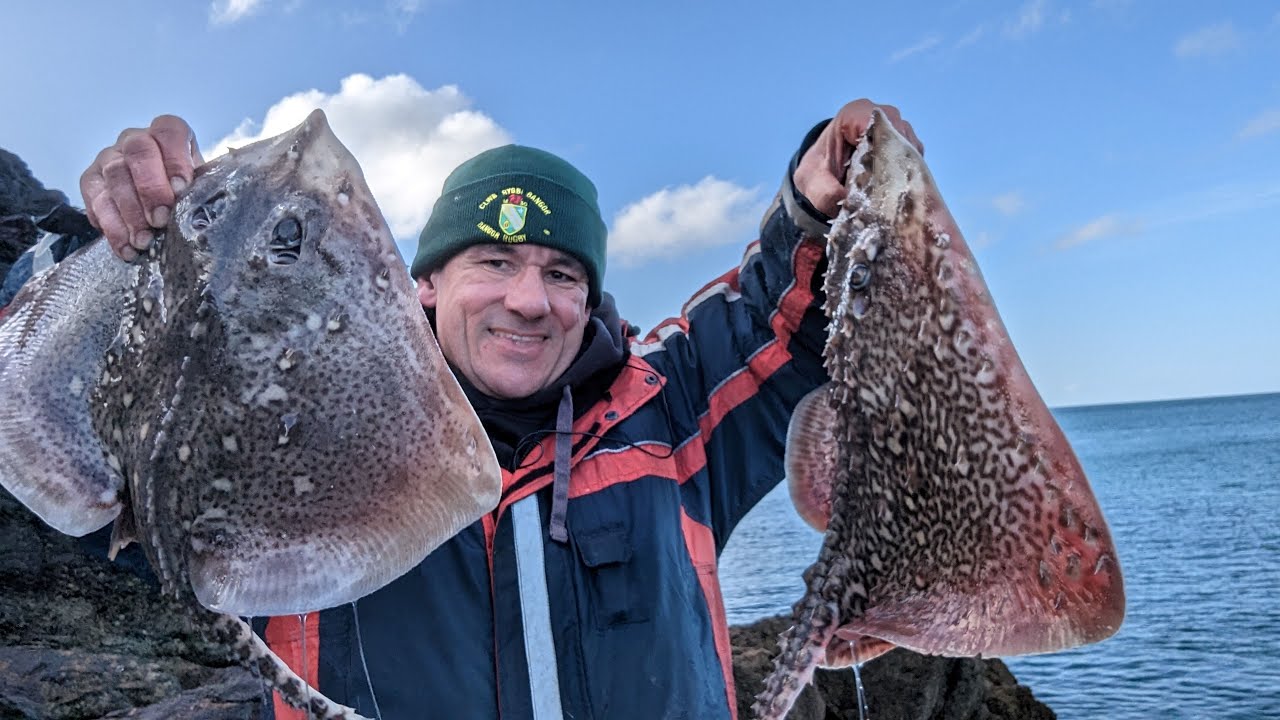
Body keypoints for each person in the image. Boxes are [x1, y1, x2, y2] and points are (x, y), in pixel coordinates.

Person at [60, 99, 921, 720]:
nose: (529, 300)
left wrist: (817, 199)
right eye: (493, 263)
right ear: (425, 283)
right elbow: (113, 437)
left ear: (590, 296)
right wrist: (143, 242)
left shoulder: (672, 417)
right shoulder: (296, 427)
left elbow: (788, 316)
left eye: (561, 273)